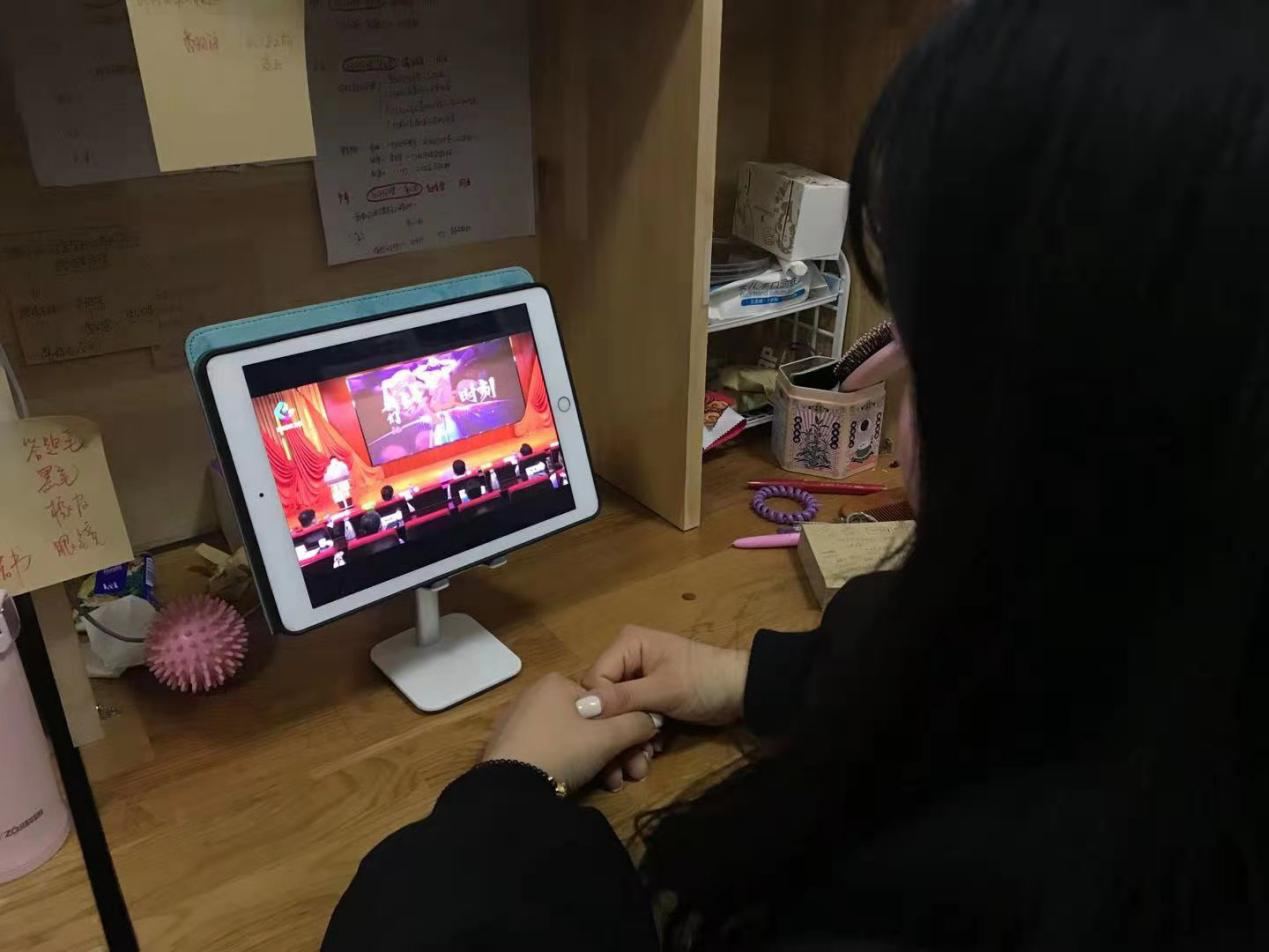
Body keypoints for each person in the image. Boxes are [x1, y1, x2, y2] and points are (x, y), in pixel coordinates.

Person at [323, 2, 1269, 949]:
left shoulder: (993, 889)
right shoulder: (1165, 657)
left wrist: (505, 796)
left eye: (927, 346)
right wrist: (750, 675)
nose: (895, 400)